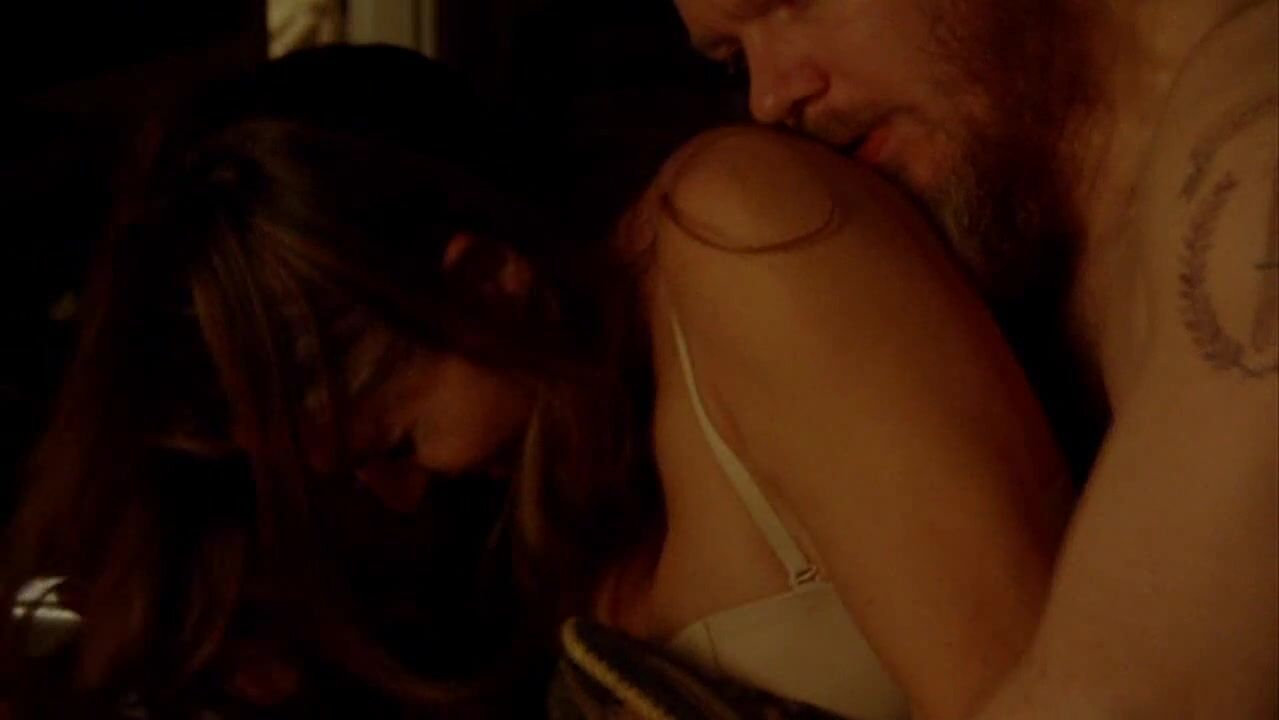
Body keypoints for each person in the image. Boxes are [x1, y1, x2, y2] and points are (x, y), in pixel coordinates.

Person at [0, 44, 1071, 719]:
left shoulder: (736, 231)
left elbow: (1043, 695)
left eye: (392, 443)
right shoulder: (585, 489)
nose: (399, 495)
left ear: (488, 282)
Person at [668, 0, 1279, 717]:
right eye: (735, 60)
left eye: (796, 4)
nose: (769, 98)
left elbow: (1132, 704)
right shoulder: (1011, 229)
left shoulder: (1253, 133)